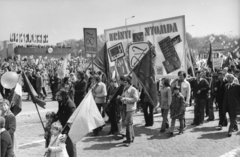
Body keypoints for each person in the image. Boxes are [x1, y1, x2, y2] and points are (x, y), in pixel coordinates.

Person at [54, 89, 76, 157]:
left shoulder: (70, 105)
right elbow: (59, 113)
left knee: (70, 148)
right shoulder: (61, 102)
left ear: (63, 96)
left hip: (69, 129)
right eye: (56, 95)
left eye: (58, 96)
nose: (56, 97)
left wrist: (66, 133)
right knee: (63, 148)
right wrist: (54, 118)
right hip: (63, 127)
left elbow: (71, 121)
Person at [118, 76, 139, 147]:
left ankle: (129, 140)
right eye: (124, 82)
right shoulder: (125, 88)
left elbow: (136, 99)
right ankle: (131, 137)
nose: (124, 83)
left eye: (125, 82)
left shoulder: (133, 89)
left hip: (130, 108)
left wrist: (125, 99)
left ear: (129, 82)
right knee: (129, 123)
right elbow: (123, 96)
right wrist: (120, 98)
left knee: (128, 123)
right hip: (125, 107)